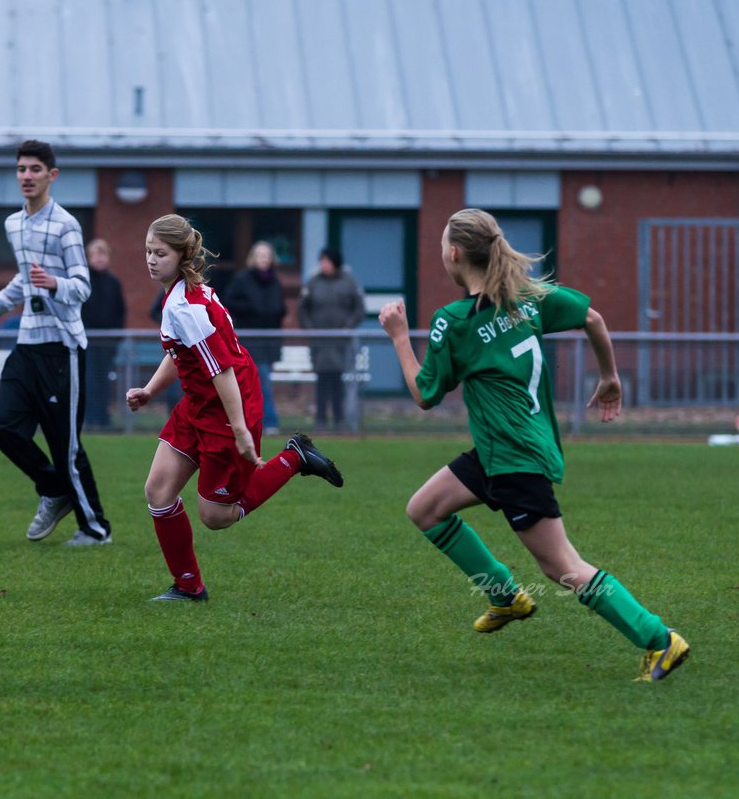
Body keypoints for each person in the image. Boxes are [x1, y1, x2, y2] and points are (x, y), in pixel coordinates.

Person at [378, 208, 689, 681]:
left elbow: (424, 396)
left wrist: (399, 337)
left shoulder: (456, 321)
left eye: (443, 243)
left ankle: (659, 639)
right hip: (502, 449)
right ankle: (504, 594)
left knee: (563, 567)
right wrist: (609, 376)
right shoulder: (528, 297)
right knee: (424, 509)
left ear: (455, 253)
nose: (442, 252)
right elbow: (594, 318)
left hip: (514, 459)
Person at [126, 214, 344, 602]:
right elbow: (181, 354)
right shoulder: (179, 295)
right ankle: (189, 587)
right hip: (199, 403)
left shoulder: (186, 306)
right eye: (148, 251)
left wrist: (241, 429)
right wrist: (150, 390)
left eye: (160, 253)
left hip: (228, 406)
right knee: (158, 491)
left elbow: (222, 370)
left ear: (182, 256)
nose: (151, 259)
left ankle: (294, 458)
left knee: (215, 516)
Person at [0, 140, 112, 548]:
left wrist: (55, 283)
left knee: (66, 445)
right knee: (2, 427)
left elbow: (82, 286)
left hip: (63, 349)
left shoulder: (66, 225)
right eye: (21, 169)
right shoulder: (15, 224)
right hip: (27, 343)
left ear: (52, 175)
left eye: (35, 169)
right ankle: (52, 489)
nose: (26, 176)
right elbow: (22, 281)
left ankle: (95, 529)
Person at [298, 248, 365, 430]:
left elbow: (359, 309)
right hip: (319, 343)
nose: (323, 264)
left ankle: (339, 420)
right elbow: (302, 309)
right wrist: (310, 329)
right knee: (321, 381)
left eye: (326, 260)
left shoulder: (349, 282)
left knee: (337, 380)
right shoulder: (313, 283)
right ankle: (320, 420)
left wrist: (347, 327)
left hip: (340, 342)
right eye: (322, 261)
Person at [223, 241, 286, 433]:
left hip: (269, 341)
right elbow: (229, 303)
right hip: (250, 340)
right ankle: (269, 421)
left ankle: (255, 421)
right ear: (253, 258)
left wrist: (275, 313)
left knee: (260, 381)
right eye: (260, 255)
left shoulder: (274, 281)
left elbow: (278, 308)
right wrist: (251, 310)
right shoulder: (242, 280)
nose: (264, 259)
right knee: (260, 381)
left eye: (267, 255)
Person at [80, 239, 127, 429]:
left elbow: (120, 311)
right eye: (95, 255)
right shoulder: (83, 282)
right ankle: (90, 419)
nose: (99, 259)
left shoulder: (113, 283)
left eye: (102, 255)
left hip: (108, 343)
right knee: (90, 381)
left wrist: (115, 338)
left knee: (105, 381)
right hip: (89, 342)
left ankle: (104, 419)